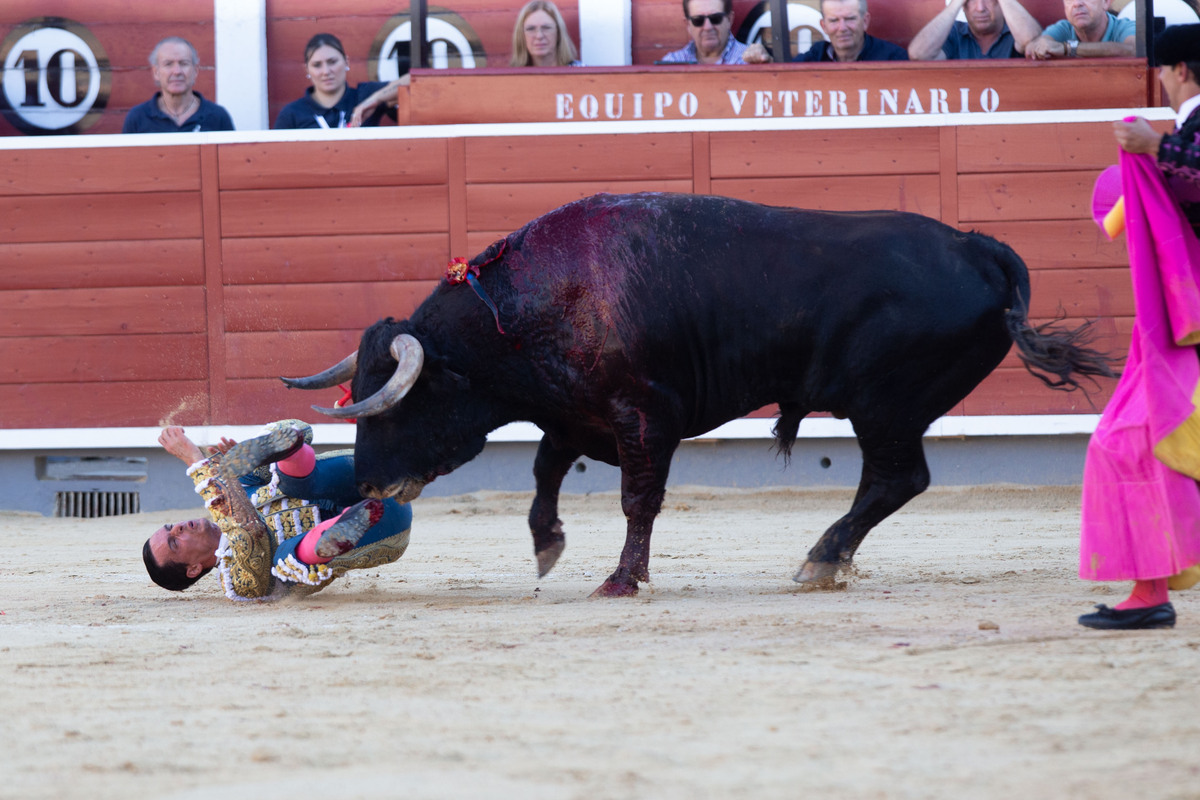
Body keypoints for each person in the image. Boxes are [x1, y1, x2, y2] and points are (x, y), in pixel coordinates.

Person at [1077, 24, 1200, 630]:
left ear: (1173, 70)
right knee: (1135, 445)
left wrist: (1156, 152)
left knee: (1130, 444)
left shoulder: (1180, 139)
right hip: (1183, 339)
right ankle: (1150, 590)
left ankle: (1151, 591)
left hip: (1188, 341)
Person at [144, 420, 413, 601]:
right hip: (387, 525)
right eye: (174, 542)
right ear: (193, 569)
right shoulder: (236, 581)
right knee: (283, 561)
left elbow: (304, 430)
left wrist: (254, 455)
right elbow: (249, 534)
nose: (177, 528)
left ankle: (291, 454)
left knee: (294, 479)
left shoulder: (236, 486)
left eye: (171, 527)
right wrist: (195, 460)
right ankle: (338, 529)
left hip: (367, 479)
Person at [273, 33, 409, 129]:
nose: (326, 71)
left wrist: (372, 101)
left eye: (332, 62)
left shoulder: (363, 95)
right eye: (317, 65)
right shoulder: (292, 114)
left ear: (346, 62)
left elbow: (413, 81)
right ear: (307, 70)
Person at [122, 37, 235, 133]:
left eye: (183, 63)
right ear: (156, 72)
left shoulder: (218, 117)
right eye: (168, 64)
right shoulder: (137, 118)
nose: (177, 71)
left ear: (195, 71)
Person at [745, 0, 907, 63]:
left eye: (850, 19)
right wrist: (766, 63)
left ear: (865, 22)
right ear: (824, 26)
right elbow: (787, 80)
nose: (842, 28)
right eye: (834, 20)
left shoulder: (893, 58)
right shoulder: (815, 55)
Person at [907, 0, 1043, 60]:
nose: (980, 8)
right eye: (971, 0)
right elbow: (919, 54)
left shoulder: (1015, 33)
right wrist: (955, 4)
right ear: (964, 5)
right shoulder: (954, 32)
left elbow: (1033, 40)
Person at [1025, 0, 1135, 60]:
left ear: (1106, 2)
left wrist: (1066, 48)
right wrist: (1040, 47)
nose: (1077, 3)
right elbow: (1032, 49)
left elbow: (1134, 49)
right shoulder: (1063, 28)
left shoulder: (1125, 27)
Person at [659, 0, 751, 65]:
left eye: (715, 18)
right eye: (698, 20)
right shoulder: (672, 62)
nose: (707, 27)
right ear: (688, 25)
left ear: (729, 20)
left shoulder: (748, 61)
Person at [511, 1, 583, 67]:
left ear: (558, 33)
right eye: (531, 29)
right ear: (521, 36)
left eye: (546, 28)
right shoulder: (510, 78)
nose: (539, 36)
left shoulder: (582, 73)